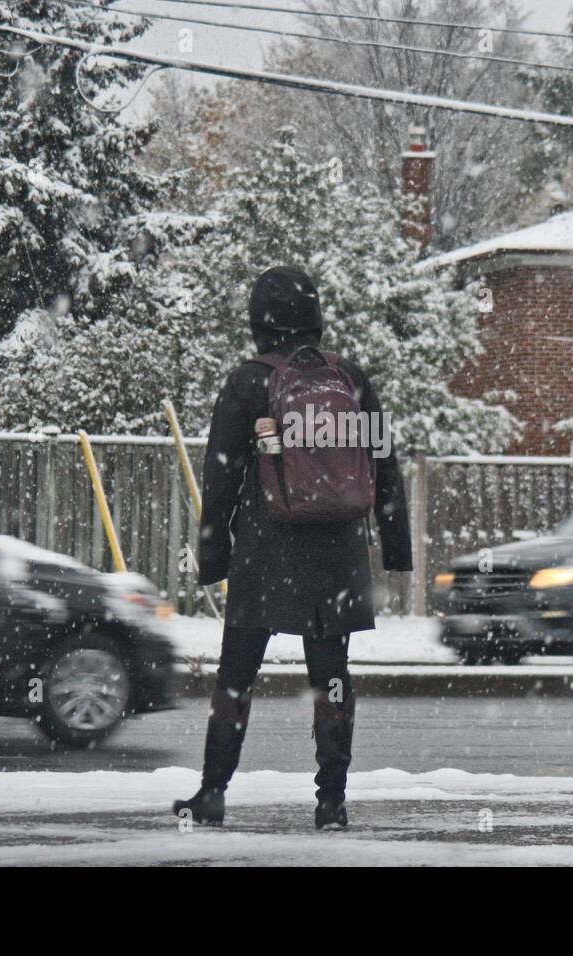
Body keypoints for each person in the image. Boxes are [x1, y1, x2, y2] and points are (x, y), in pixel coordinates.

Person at [173, 265, 413, 830]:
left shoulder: (250, 382)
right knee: (332, 676)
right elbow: (384, 465)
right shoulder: (349, 379)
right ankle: (332, 800)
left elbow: (222, 475)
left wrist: (213, 557)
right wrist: (396, 547)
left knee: (236, 674)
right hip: (340, 554)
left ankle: (213, 791)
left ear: (260, 320)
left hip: (267, 550)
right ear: (315, 315)